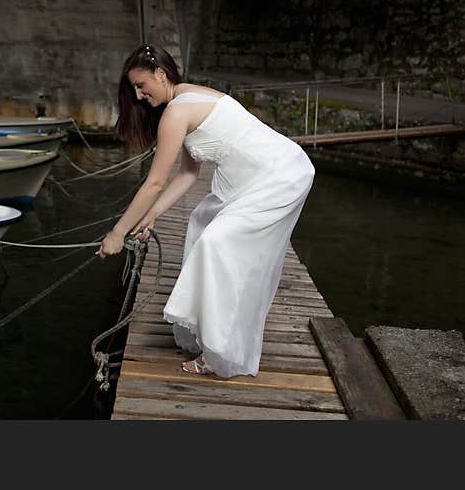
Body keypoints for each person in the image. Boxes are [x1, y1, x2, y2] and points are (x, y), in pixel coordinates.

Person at [97, 44, 315, 378]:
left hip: (279, 176)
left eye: (141, 86)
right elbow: (187, 174)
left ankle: (218, 356)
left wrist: (117, 233)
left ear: (160, 74)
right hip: (265, 174)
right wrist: (153, 215)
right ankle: (211, 333)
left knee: (217, 246)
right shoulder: (187, 97)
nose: (139, 96)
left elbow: (154, 183)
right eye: (134, 90)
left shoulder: (176, 112)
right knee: (201, 224)